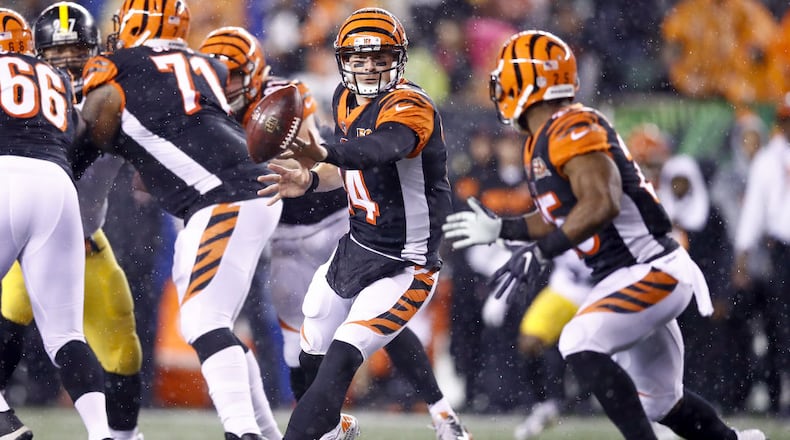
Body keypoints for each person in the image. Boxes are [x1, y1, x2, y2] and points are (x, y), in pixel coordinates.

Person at [442, 30, 765, 440]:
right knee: (662, 403)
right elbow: (559, 217)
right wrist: (503, 228)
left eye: (506, 76)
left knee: (578, 339)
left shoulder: (572, 126)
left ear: (530, 81)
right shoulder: (541, 142)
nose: (498, 87)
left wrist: (542, 252)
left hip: (651, 268)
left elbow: (602, 202)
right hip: (630, 275)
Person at [258, 8, 467, 440]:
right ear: (343, 60)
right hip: (355, 249)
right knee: (310, 352)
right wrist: (312, 178)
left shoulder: (411, 105)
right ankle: (336, 431)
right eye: (358, 57)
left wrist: (322, 152)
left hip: (406, 261)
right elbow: (353, 168)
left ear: (399, 59)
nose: (368, 66)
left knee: (341, 358)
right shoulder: (344, 98)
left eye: (379, 56)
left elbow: (378, 150)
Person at [79, 1, 282, 439]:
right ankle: (265, 434)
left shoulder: (118, 68)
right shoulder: (202, 61)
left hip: (225, 198)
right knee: (215, 322)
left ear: (136, 22)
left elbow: (94, 126)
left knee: (203, 321)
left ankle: (242, 433)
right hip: (239, 193)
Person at [0, 4, 145, 439]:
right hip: (57, 203)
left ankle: (9, 424)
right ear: (33, 49)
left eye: (78, 48)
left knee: (122, 347)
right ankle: (101, 432)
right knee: (58, 333)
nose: (67, 60)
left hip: (57, 218)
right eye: (56, 51)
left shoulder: (101, 93)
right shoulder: (75, 89)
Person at [733, 95, 790, 416]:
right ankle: (779, 398)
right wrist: (742, 256)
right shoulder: (769, 160)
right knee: (781, 326)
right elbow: (754, 210)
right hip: (782, 252)